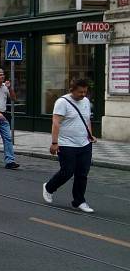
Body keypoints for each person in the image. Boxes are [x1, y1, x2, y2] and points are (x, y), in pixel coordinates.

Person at [43, 79, 97, 213]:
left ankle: (79, 201)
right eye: (80, 92)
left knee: (82, 174)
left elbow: (87, 120)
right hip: (66, 144)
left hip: (84, 143)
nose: (83, 94)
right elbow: (56, 123)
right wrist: (54, 143)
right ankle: (49, 187)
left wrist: (90, 135)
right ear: (72, 90)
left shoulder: (85, 101)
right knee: (67, 172)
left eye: (85, 91)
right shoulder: (62, 102)